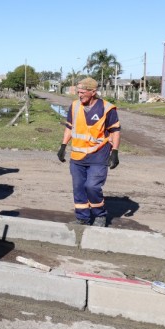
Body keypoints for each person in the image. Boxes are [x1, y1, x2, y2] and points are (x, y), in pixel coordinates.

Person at [57, 77, 120, 226]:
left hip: (99, 155)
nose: (80, 95)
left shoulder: (107, 108)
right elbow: (69, 127)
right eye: (78, 92)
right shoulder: (75, 106)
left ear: (93, 92)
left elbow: (115, 131)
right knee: (78, 187)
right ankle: (82, 218)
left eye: (82, 92)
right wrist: (63, 146)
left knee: (92, 186)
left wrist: (115, 152)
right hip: (77, 156)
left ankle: (100, 215)